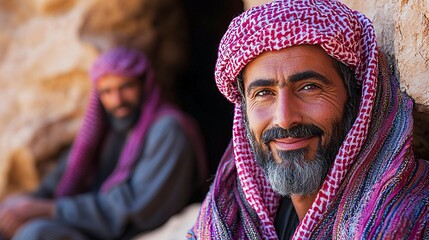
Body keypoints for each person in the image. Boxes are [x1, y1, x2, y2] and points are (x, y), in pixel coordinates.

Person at [188, 0, 429, 239]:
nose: (284, 120)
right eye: (263, 93)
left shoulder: (417, 220)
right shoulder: (229, 220)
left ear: (359, 97)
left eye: (309, 87)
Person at [0, 47, 208, 240]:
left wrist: (49, 210)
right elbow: (58, 181)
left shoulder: (168, 130)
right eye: (107, 92)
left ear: (145, 86)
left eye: (126, 87)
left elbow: (136, 207)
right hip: (98, 227)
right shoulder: (106, 130)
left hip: (135, 231)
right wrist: (20, 207)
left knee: (37, 234)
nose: (117, 100)